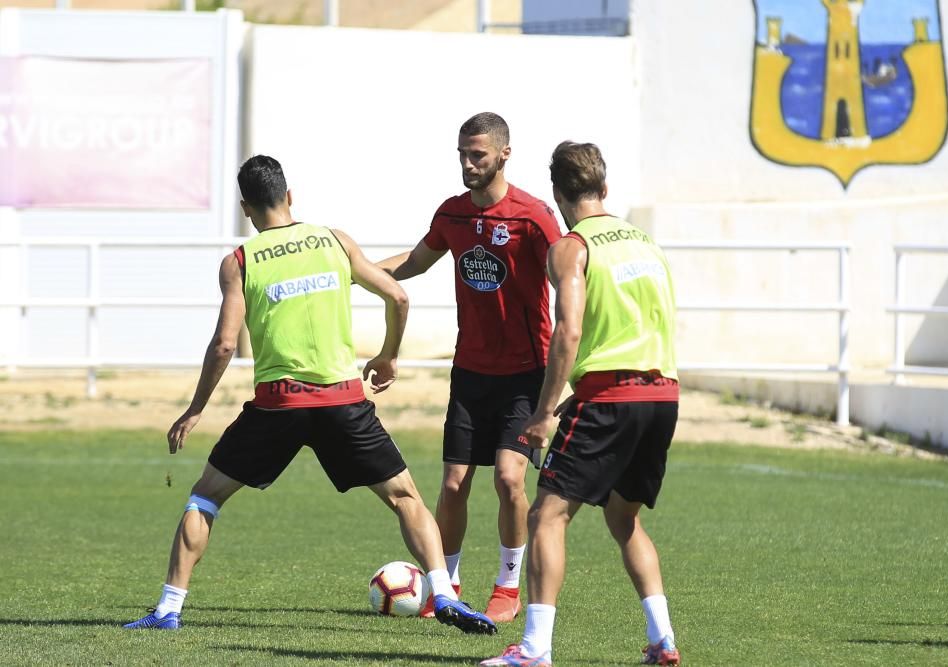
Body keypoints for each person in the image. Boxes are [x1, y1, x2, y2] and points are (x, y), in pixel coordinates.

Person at [123, 155, 496, 636]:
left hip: (277, 405)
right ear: (289, 195)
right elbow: (399, 297)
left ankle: (168, 609)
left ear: (245, 208)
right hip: (343, 401)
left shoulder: (240, 262)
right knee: (406, 498)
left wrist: (196, 409)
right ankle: (444, 595)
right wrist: (388, 357)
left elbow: (222, 344)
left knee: (204, 499)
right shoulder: (333, 241)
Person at [480, 142, 681, 666]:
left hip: (612, 398)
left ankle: (533, 650)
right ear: (604, 188)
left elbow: (567, 332)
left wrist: (546, 411)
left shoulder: (571, 248)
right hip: (661, 396)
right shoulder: (645, 243)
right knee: (624, 520)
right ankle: (663, 641)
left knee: (546, 516)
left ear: (557, 193)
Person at [377, 112, 562, 623]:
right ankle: (448, 586)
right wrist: (356, 271)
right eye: (462, 153)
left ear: (504, 154)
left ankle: (507, 585)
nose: (467, 163)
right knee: (455, 482)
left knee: (508, 479)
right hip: (471, 372)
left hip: (527, 372)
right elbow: (415, 262)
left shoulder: (532, 217)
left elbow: (571, 277)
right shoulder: (453, 214)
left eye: (477, 154)